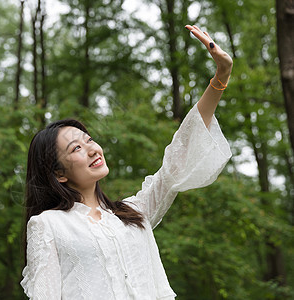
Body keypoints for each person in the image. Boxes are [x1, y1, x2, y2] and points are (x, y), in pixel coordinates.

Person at [20, 25, 233, 299]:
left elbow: (178, 157)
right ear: (59, 173)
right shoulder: (48, 225)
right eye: (76, 148)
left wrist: (221, 76)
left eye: (89, 140)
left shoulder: (134, 213)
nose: (91, 149)